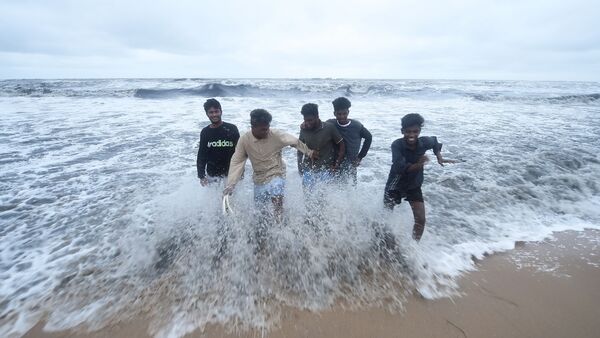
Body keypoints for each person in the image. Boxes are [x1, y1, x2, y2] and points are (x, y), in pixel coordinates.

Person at [224, 109, 318, 222]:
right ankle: (265, 232)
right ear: (253, 127)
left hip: (276, 172)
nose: (267, 131)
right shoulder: (244, 140)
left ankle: (279, 224)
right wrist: (231, 184)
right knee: (260, 212)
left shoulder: (276, 134)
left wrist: (309, 152)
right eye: (263, 129)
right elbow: (237, 162)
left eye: (268, 127)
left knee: (277, 194)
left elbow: (295, 142)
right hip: (259, 178)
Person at [383, 113, 456, 241]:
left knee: (421, 219)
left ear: (420, 131)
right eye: (408, 131)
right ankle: (382, 243)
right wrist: (420, 163)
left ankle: (413, 247)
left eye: (415, 131)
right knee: (385, 216)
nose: (412, 135)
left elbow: (434, 142)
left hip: (414, 184)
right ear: (402, 131)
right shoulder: (397, 145)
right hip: (396, 183)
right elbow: (401, 168)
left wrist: (440, 157)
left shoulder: (424, 142)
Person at [297, 103, 345, 189]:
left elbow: (341, 145)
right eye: (305, 120)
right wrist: (300, 167)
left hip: (325, 170)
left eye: (310, 120)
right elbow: (300, 148)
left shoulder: (329, 128)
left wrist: (336, 165)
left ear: (317, 116)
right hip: (308, 169)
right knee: (308, 198)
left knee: (323, 199)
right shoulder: (304, 129)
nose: (307, 123)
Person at [326, 97, 372, 184]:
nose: (342, 116)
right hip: (335, 163)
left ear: (348, 112)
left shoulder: (357, 126)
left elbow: (369, 137)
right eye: (339, 114)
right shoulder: (330, 124)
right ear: (334, 113)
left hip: (351, 163)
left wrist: (360, 157)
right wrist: (305, 125)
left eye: (345, 113)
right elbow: (318, 129)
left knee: (351, 187)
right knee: (334, 187)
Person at [196, 98, 240, 186]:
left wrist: (240, 172)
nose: (214, 114)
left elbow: (240, 152)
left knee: (230, 200)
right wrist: (201, 176)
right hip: (212, 176)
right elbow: (201, 154)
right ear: (207, 114)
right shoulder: (205, 132)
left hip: (230, 175)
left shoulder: (231, 128)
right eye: (211, 112)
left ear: (221, 111)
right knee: (213, 200)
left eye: (216, 111)